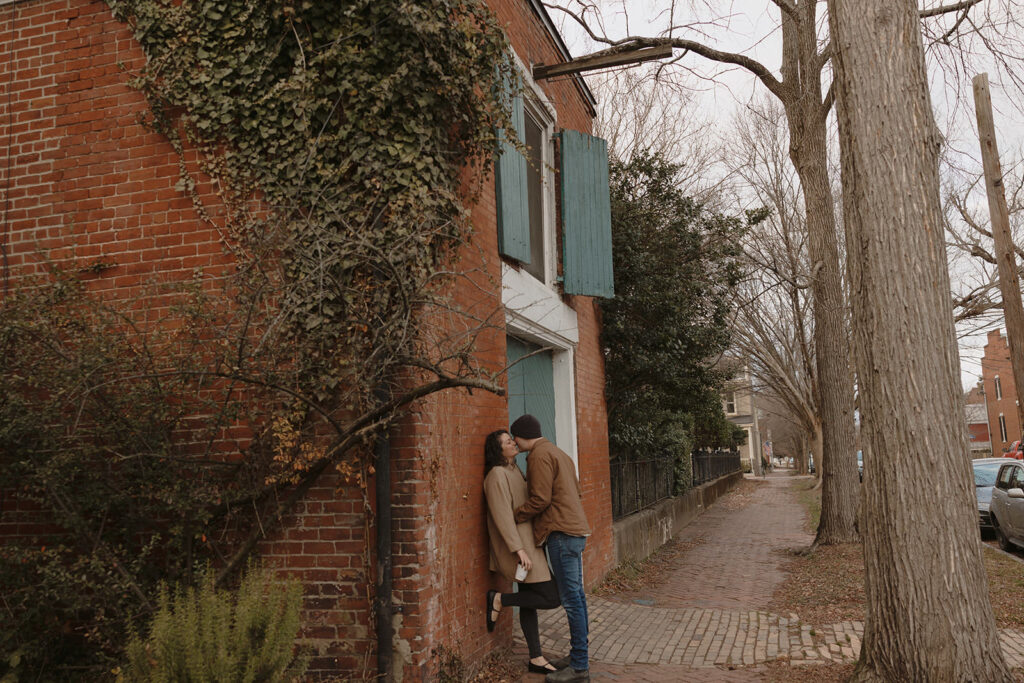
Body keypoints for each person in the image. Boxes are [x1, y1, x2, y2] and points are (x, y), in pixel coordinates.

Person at [511, 414, 591, 683]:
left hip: (561, 534)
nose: (514, 443)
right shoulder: (559, 453)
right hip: (575, 530)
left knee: (570, 601)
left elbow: (540, 499)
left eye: (515, 438)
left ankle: (579, 668)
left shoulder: (537, 455)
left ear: (522, 436)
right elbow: (576, 491)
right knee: (577, 597)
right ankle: (577, 657)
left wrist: (514, 515)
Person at [482, 429, 563, 675]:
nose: (513, 443)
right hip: (519, 548)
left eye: (511, 439)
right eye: (507, 442)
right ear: (498, 450)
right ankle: (499, 599)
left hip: (530, 544)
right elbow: (502, 516)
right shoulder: (496, 475)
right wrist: (518, 550)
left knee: (530, 601)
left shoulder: (514, 469)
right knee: (552, 596)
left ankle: (536, 657)